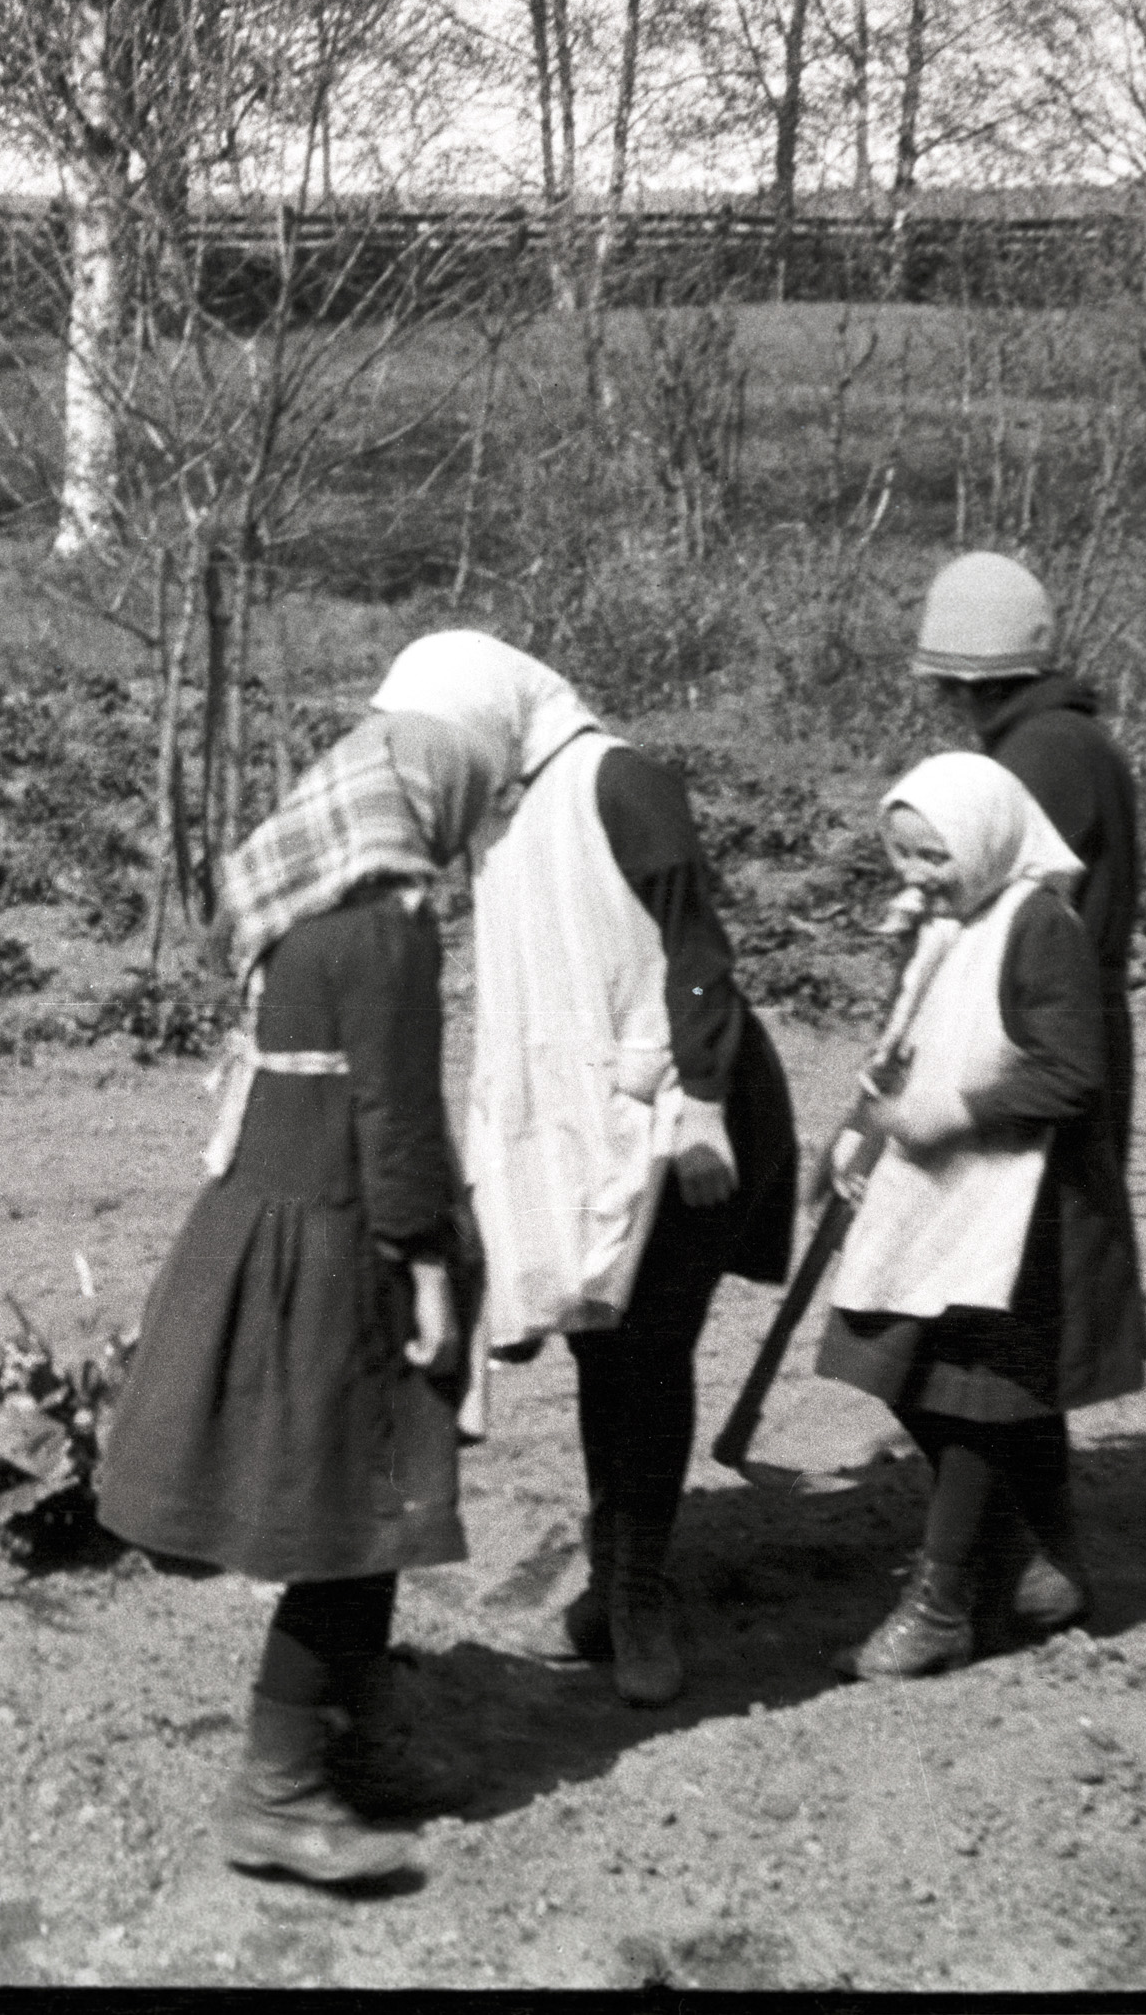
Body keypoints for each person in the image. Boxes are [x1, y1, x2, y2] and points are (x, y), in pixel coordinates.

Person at [95, 711, 493, 1891]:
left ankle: (354, 1738)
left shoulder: (300, 907)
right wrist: (426, 1263)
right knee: (345, 1506)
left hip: (270, 1225)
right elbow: (399, 1116)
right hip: (339, 1246)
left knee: (357, 1504)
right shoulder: (389, 928)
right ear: (430, 803)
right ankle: (278, 1788)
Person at [366, 631, 798, 1709]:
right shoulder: (505, 809)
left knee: (647, 1356)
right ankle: (615, 1585)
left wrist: (698, 1107)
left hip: (682, 1117)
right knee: (601, 1355)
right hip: (584, 1116)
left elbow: (699, 953)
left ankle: (640, 1598)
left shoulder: (619, 780)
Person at [813, 751, 1146, 1681]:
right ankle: (1043, 1562)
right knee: (910, 1370)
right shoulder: (944, 925)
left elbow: (1073, 1071)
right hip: (941, 1193)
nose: (916, 876)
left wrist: (952, 1112)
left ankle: (944, 1603)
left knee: (970, 1395)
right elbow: (902, 1049)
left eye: (934, 856)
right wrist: (855, 1133)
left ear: (990, 840)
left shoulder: (1040, 927)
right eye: (903, 855)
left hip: (1020, 1210)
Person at [914, 552, 1142, 1162]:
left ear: (966, 687)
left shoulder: (1043, 753)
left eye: (942, 690)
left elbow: (993, 905)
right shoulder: (1068, 738)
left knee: (1046, 1232)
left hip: (1040, 1033)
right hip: (1067, 1021)